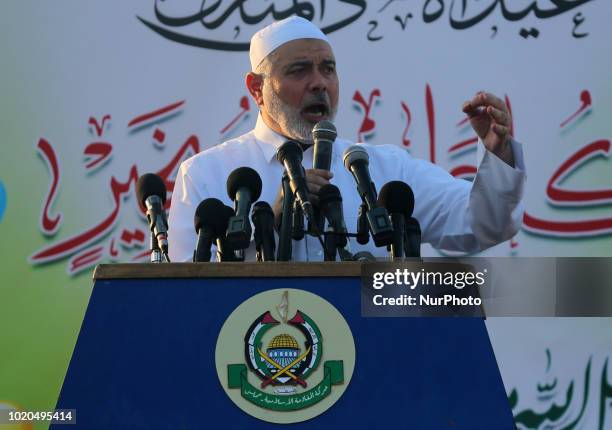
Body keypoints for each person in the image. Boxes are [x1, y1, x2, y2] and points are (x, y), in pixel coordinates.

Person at [168, 16, 526, 262]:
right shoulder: (206, 174)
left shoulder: (381, 168)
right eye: (299, 70)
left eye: (328, 69)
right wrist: (270, 221)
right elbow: (186, 288)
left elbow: (483, 225)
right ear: (257, 89)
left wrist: (498, 156)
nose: (319, 83)